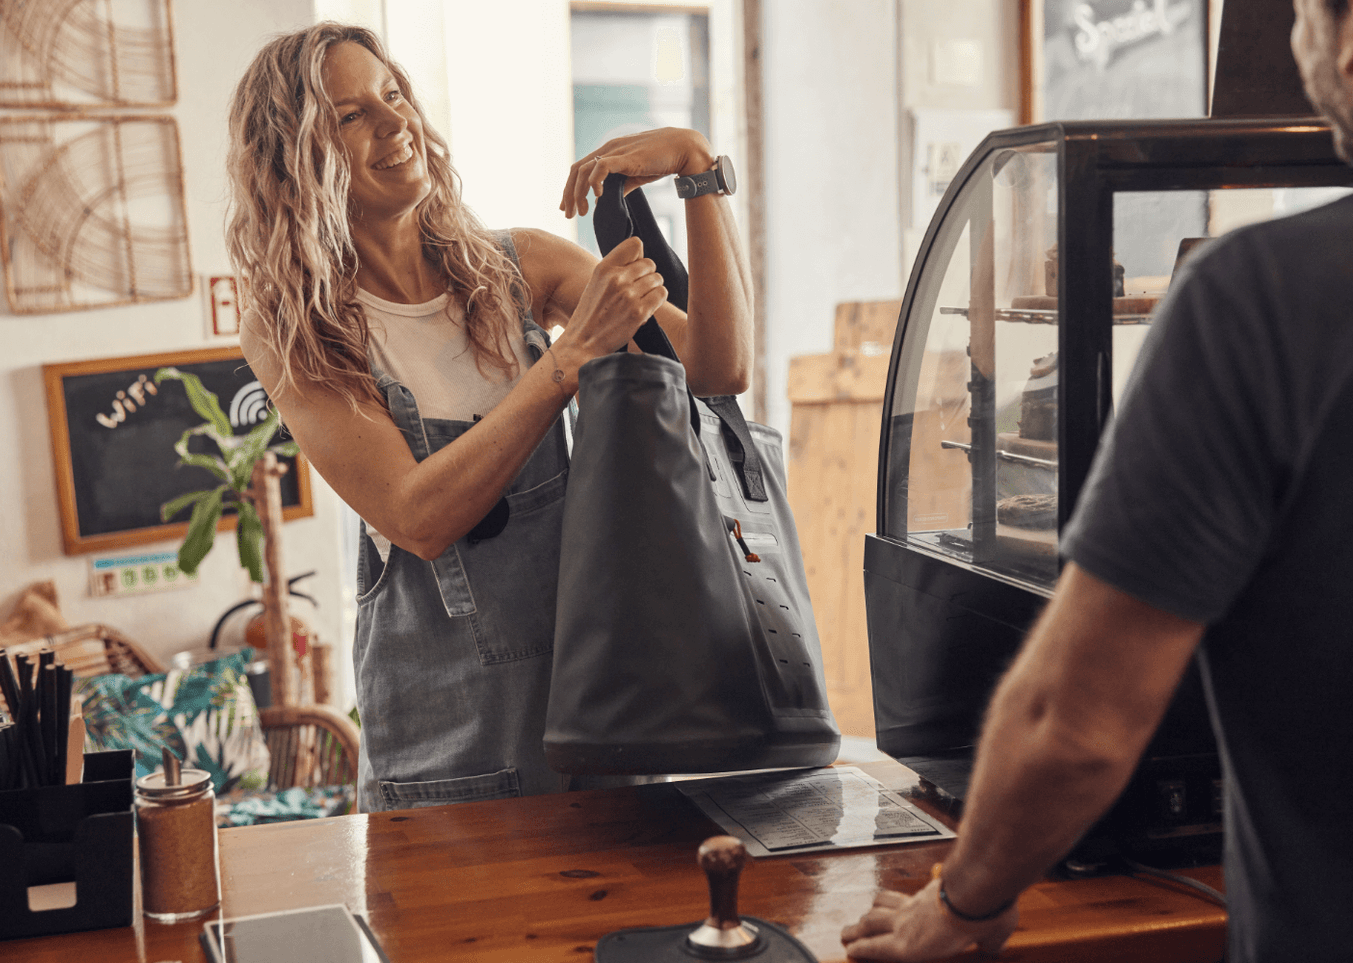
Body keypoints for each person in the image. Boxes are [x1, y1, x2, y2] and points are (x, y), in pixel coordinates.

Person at [840, 1, 1353, 960]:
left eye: (1297, 16)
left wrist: (964, 905)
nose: (1292, 44)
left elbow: (1072, 721)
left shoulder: (1262, 302)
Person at [225, 24, 751, 812]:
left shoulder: (522, 266)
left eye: (392, 95)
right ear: (294, 157)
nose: (394, 123)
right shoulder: (298, 330)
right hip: (446, 743)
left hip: (603, 708)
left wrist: (698, 170)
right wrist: (567, 361)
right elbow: (418, 515)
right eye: (350, 115)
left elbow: (717, 367)